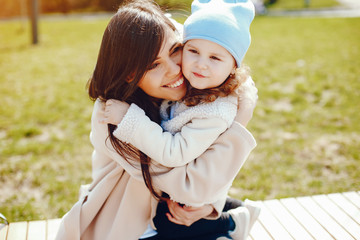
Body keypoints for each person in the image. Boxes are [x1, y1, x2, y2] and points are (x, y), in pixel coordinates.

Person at [55, 0, 258, 239]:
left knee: (210, 211)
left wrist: (209, 206)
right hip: (133, 225)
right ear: (130, 74)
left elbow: (224, 54)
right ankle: (231, 221)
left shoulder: (182, 45)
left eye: (175, 51)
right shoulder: (115, 116)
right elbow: (190, 184)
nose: (174, 70)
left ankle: (229, 217)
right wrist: (240, 121)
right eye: (154, 65)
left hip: (170, 205)